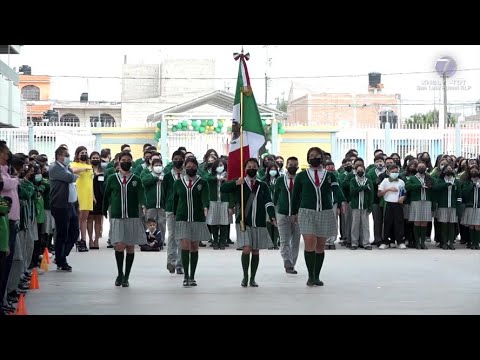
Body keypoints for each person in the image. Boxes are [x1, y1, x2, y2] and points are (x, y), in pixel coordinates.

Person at [291, 147, 346, 287]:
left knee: (320, 246)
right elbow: (295, 195)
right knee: (310, 242)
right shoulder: (301, 176)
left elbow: (336, 189)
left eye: (317, 156)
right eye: (311, 156)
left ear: (322, 158)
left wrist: (342, 201)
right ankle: (310, 276)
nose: (314, 158)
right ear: (308, 158)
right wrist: (293, 213)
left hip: (325, 211)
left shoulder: (330, 175)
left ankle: (317, 276)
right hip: (306, 212)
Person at [221, 158, 277, 287]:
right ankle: (245, 277)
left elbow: (268, 202)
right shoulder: (240, 183)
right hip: (243, 221)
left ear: (258, 168)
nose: (251, 168)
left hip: (259, 222)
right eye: (249, 166)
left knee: (255, 250)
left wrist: (272, 216)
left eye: (254, 166)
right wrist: (235, 183)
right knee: (246, 248)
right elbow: (223, 188)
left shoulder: (262, 185)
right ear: (245, 169)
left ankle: (253, 278)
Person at [103, 151, 146, 287]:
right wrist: (103, 209)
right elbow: (106, 195)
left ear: (131, 162)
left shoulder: (136, 179)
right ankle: (120, 273)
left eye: (128, 160)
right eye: (123, 160)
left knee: (130, 246)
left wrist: (144, 205)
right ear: (119, 161)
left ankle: (126, 276)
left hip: (132, 216)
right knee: (119, 245)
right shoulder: (112, 178)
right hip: (117, 216)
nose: (126, 162)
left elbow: (141, 195)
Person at [173, 157, 210, 287]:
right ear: (184, 168)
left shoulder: (202, 182)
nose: (191, 169)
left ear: (196, 167)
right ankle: (186, 276)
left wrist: (206, 207)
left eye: (193, 167)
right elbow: (175, 199)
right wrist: (174, 213)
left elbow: (206, 197)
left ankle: (192, 276)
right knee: (185, 245)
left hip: (197, 217)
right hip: (182, 217)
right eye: (188, 167)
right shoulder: (178, 183)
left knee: (194, 246)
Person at [49, 146, 85, 271]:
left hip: (71, 204)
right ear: (59, 156)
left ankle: (61, 255)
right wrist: (75, 174)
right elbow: (70, 178)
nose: (68, 158)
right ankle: (61, 260)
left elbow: (72, 180)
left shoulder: (66, 168)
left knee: (75, 232)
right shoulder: (55, 168)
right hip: (60, 205)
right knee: (62, 233)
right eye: (66, 155)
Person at [273, 156, 301, 273]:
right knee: (284, 241)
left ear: (298, 167)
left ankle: (292, 263)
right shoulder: (280, 180)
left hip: (298, 216)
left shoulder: (300, 180)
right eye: (290, 165)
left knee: (295, 241)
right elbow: (275, 198)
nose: (292, 167)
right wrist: (273, 215)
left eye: (295, 165)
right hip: (283, 214)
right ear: (286, 166)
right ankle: (287, 262)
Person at [70, 146, 94, 252]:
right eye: (82, 152)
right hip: (79, 193)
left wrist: (93, 195)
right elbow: (72, 171)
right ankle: (78, 240)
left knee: (85, 219)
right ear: (77, 154)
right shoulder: (74, 164)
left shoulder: (89, 165)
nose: (84, 154)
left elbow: (90, 181)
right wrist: (83, 168)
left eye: (85, 152)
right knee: (78, 218)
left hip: (88, 194)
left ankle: (84, 240)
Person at [378, 164, 407, 249]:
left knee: (399, 223)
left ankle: (400, 241)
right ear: (388, 172)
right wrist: (388, 189)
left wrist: (403, 197)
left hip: (398, 204)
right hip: (388, 204)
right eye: (393, 172)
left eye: (396, 172)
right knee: (387, 223)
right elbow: (379, 194)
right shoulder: (385, 181)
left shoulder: (401, 182)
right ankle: (385, 241)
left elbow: (403, 193)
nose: (395, 173)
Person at [87, 151, 104, 249]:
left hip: (100, 197)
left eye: (97, 158)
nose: (95, 160)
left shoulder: (103, 170)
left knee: (98, 219)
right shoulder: (88, 170)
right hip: (89, 196)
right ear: (90, 159)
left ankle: (96, 240)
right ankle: (90, 239)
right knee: (89, 218)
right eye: (93, 158)